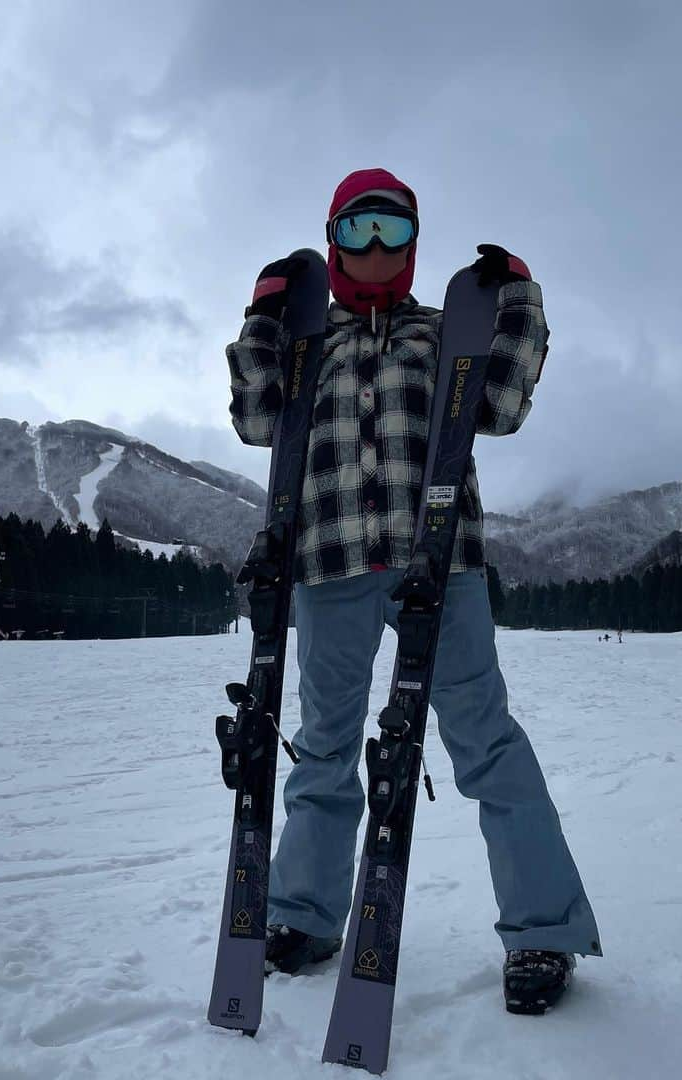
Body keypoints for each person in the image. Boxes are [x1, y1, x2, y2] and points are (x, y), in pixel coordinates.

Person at [227, 168, 601, 1015]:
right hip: (331, 565)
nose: (373, 250)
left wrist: (521, 302)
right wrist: (261, 320)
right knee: (324, 748)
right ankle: (306, 914)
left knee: (484, 739)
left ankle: (543, 929)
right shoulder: (303, 342)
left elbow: (501, 407)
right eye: (356, 231)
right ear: (333, 240)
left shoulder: (443, 336)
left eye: (391, 232)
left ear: (413, 244)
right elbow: (256, 422)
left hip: (442, 564)